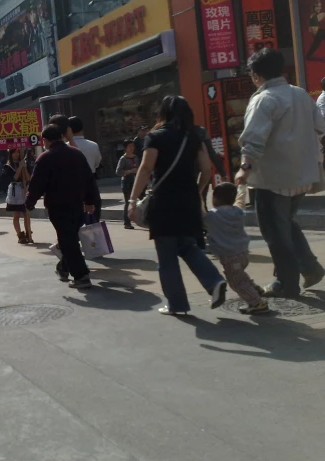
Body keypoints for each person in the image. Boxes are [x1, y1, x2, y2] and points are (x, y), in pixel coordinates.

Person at [235, 48, 325, 299]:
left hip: (272, 180)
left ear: (255, 74)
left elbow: (253, 140)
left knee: (275, 233)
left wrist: (244, 168)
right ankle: (309, 266)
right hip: (303, 176)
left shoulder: (264, 100)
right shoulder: (300, 94)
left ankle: (286, 283)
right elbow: (321, 127)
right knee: (287, 224)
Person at [128, 95, 227, 316]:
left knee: (167, 255)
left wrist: (133, 200)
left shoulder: (155, 136)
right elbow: (206, 169)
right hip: (189, 200)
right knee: (188, 246)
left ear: (163, 112)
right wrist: (199, 190)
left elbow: (145, 169)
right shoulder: (194, 136)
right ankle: (214, 281)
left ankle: (177, 304)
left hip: (165, 201)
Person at [26, 125, 98, 289]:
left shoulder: (45, 158)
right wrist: (89, 201)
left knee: (68, 240)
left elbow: (37, 184)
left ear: (46, 140)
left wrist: (29, 203)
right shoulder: (76, 153)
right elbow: (89, 179)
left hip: (57, 206)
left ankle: (81, 275)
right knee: (69, 238)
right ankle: (63, 268)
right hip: (77, 204)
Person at [206, 183, 268, 314]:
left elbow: (200, 211)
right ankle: (254, 288)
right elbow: (240, 199)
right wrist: (242, 187)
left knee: (236, 282)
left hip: (230, 256)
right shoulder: (238, 211)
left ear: (215, 198)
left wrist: (198, 191)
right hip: (243, 253)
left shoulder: (212, 215)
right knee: (239, 275)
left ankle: (256, 303)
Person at [4, 148, 32, 243]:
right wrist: (20, 167)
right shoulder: (8, 166)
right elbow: (14, 178)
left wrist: (24, 167)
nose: (16, 154)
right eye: (14, 152)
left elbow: (28, 178)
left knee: (26, 213)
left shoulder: (24, 163)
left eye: (18, 152)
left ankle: (28, 231)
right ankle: (20, 234)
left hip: (24, 189)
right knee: (16, 214)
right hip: (15, 191)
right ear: (11, 154)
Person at [116, 139, 140, 230]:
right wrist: (129, 171)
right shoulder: (123, 159)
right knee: (128, 202)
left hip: (136, 181)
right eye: (129, 146)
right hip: (126, 182)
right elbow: (118, 172)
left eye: (133, 146)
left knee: (139, 201)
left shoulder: (135, 157)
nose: (132, 148)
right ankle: (127, 222)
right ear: (125, 148)